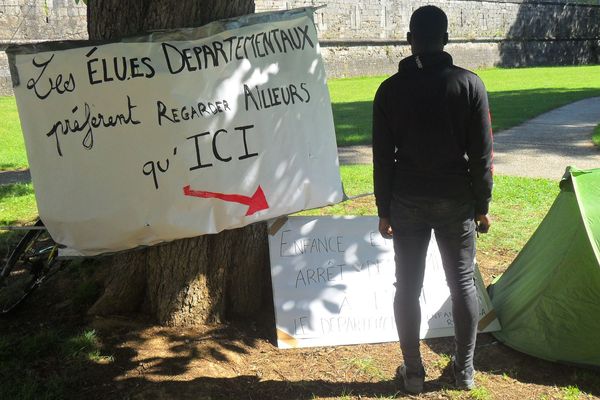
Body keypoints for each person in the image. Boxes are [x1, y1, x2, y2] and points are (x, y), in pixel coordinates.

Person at [372, 5, 494, 394]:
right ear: (446, 39)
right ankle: (465, 371)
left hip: (406, 199)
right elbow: (482, 155)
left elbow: (381, 158)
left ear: (410, 41)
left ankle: (413, 373)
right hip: (455, 199)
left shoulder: (389, 90)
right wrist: (482, 205)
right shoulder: (469, 84)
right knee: (462, 285)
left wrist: (383, 209)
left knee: (407, 287)